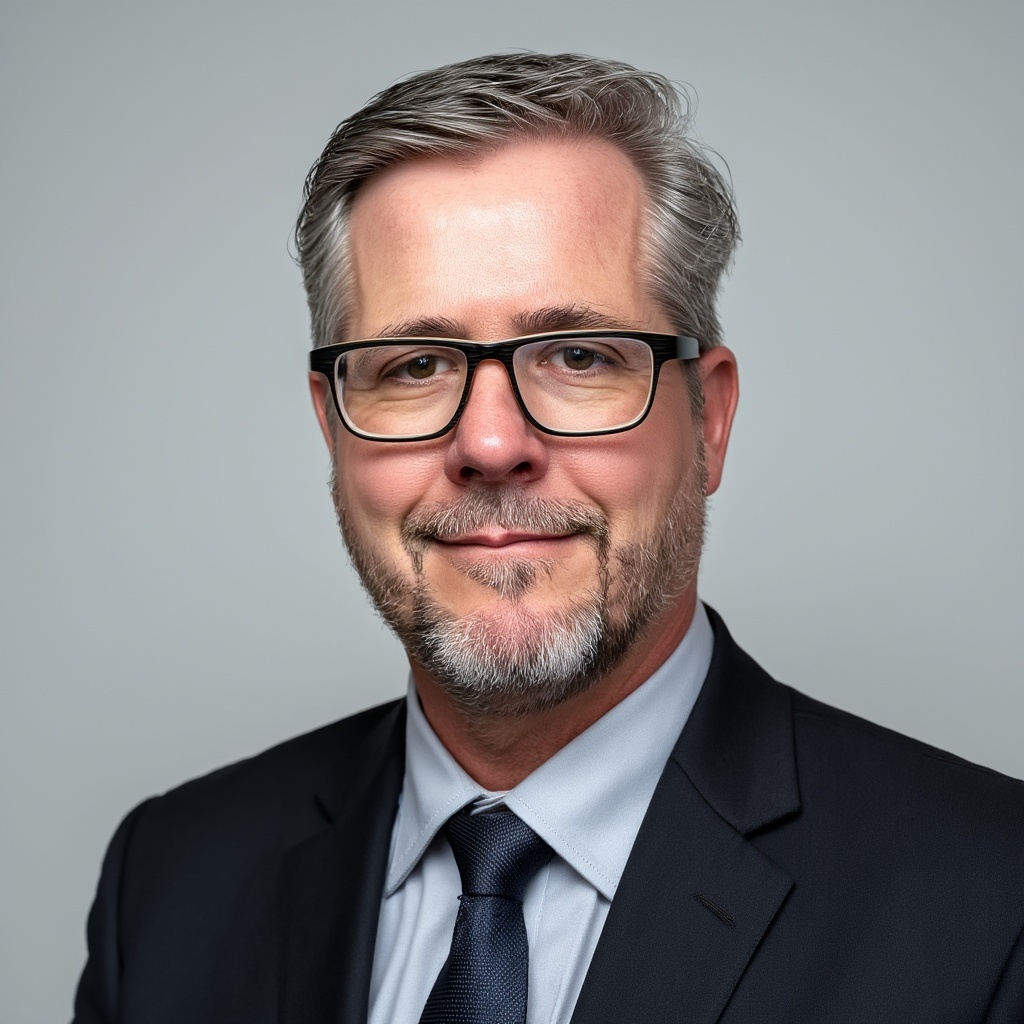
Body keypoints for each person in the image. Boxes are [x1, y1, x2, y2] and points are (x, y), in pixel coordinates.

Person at [72, 53, 1024, 1024]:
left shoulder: (993, 907)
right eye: (413, 365)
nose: (490, 444)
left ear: (708, 421)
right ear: (333, 424)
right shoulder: (168, 885)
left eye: (579, 355)